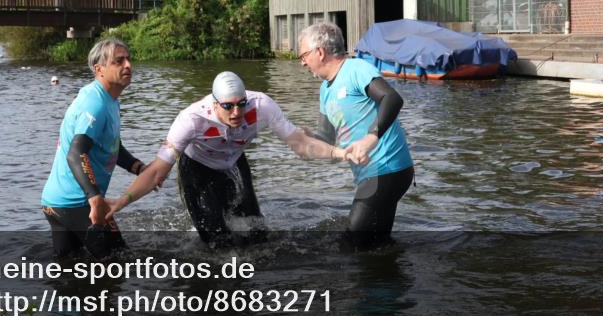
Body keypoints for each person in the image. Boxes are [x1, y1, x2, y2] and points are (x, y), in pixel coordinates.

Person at [106, 71, 348, 246]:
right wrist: (121, 202)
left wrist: (340, 153)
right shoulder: (191, 120)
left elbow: (300, 144)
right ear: (214, 104)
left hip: (234, 162)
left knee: (257, 232)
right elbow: (158, 171)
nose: (237, 113)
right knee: (216, 242)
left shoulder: (262, 105)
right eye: (228, 106)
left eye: (241, 104)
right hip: (197, 168)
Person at [297, 22, 414, 249]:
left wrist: (371, 138)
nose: (302, 62)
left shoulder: (355, 69)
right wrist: (308, 140)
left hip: (387, 168)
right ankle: (389, 280)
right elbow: (326, 137)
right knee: (376, 244)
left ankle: (372, 279)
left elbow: (392, 99)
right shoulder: (325, 89)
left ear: (319, 52)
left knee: (352, 243)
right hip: (371, 174)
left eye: (304, 55)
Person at [40, 38, 146, 259]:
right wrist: (95, 199)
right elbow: (76, 153)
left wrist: (137, 168)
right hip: (77, 202)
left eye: (128, 59)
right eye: (119, 61)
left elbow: (109, 143)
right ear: (100, 69)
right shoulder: (95, 103)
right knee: (120, 261)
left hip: (55, 202)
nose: (128, 65)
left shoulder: (109, 99)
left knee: (69, 273)